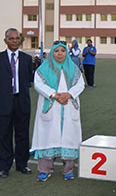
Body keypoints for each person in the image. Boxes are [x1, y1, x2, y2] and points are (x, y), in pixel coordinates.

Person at [31, 40, 85, 182]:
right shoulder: (43, 69)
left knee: (69, 137)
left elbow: (81, 84)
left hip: (68, 104)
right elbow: (38, 84)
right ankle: (44, 170)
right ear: (52, 53)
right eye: (56, 51)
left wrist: (69, 95)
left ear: (66, 52)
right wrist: (54, 95)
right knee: (47, 136)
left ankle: (68, 170)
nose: (59, 53)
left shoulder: (73, 69)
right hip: (51, 104)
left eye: (62, 50)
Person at [0, 28, 34, 178]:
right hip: (4, 102)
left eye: (17, 38)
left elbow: (29, 80)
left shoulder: (27, 58)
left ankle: (22, 164)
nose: (14, 41)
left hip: (22, 101)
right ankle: (4, 167)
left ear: (20, 40)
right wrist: (3, 92)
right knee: (3, 134)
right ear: (5, 40)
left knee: (22, 134)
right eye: (11, 38)